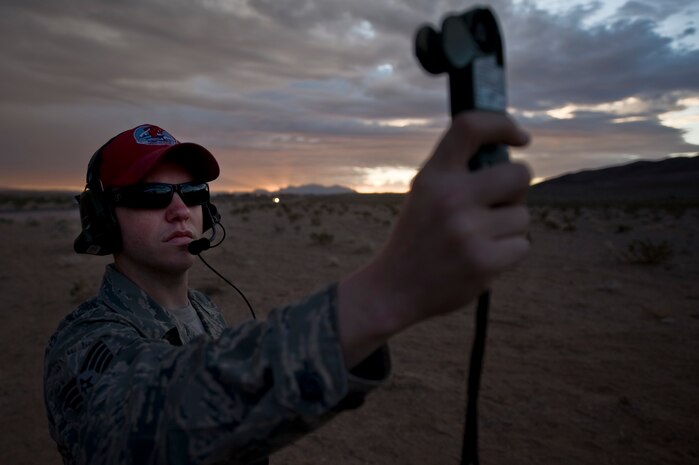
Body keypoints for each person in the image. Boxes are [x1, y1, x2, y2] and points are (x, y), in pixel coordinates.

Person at [44, 113, 531, 465]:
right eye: (150, 196)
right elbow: (156, 414)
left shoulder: (205, 313)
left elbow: (245, 412)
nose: (178, 210)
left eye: (192, 193)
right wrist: (384, 294)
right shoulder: (82, 343)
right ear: (104, 221)